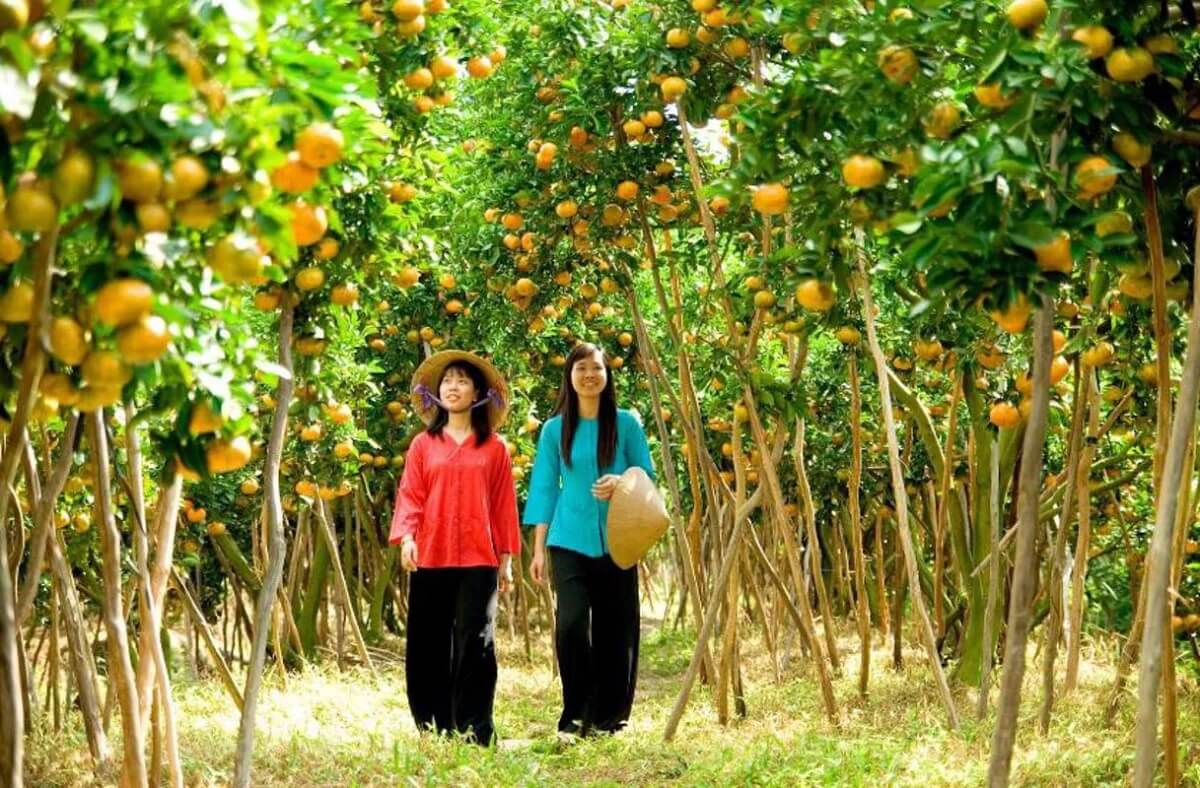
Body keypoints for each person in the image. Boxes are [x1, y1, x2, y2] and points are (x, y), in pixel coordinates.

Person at [524, 341, 655, 737]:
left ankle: (609, 718)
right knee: (572, 622)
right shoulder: (553, 429)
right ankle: (575, 713)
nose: (589, 375)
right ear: (569, 376)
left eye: (596, 368)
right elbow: (545, 487)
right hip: (569, 538)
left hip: (620, 536)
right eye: (581, 368)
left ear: (607, 375)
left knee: (617, 627)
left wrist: (623, 482)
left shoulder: (627, 423)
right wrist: (538, 549)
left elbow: (646, 473)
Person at [389, 350, 519, 746]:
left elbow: (502, 504)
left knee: (477, 642)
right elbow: (411, 495)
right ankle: (435, 724)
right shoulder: (422, 446)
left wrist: (507, 559)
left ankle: (476, 729)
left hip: (479, 557)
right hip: (432, 554)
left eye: (462, 380)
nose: (453, 387)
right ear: (437, 393)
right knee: (429, 641)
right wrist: (408, 538)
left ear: (477, 392)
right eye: (447, 381)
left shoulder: (494, 448)